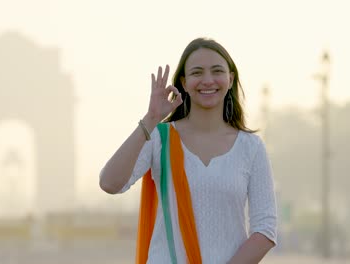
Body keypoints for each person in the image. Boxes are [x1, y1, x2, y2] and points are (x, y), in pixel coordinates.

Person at [99, 37, 277, 264]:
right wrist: (151, 119)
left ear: (230, 79)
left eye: (217, 71)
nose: (208, 80)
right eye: (197, 73)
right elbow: (110, 183)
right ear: (183, 82)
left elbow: (265, 228)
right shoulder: (160, 138)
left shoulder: (250, 147)